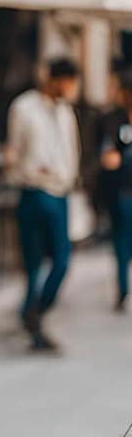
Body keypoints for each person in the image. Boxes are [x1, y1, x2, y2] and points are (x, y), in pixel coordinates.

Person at [6, 57, 82, 350]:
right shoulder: (24, 108)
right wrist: (23, 171)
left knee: (62, 261)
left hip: (60, 192)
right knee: (34, 263)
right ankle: (34, 322)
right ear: (56, 80)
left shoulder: (66, 112)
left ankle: (35, 311)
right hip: (34, 190)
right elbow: (14, 150)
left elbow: (72, 152)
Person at [97, 66, 132, 313]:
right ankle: (122, 290)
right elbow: (107, 156)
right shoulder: (112, 120)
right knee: (121, 243)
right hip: (123, 192)